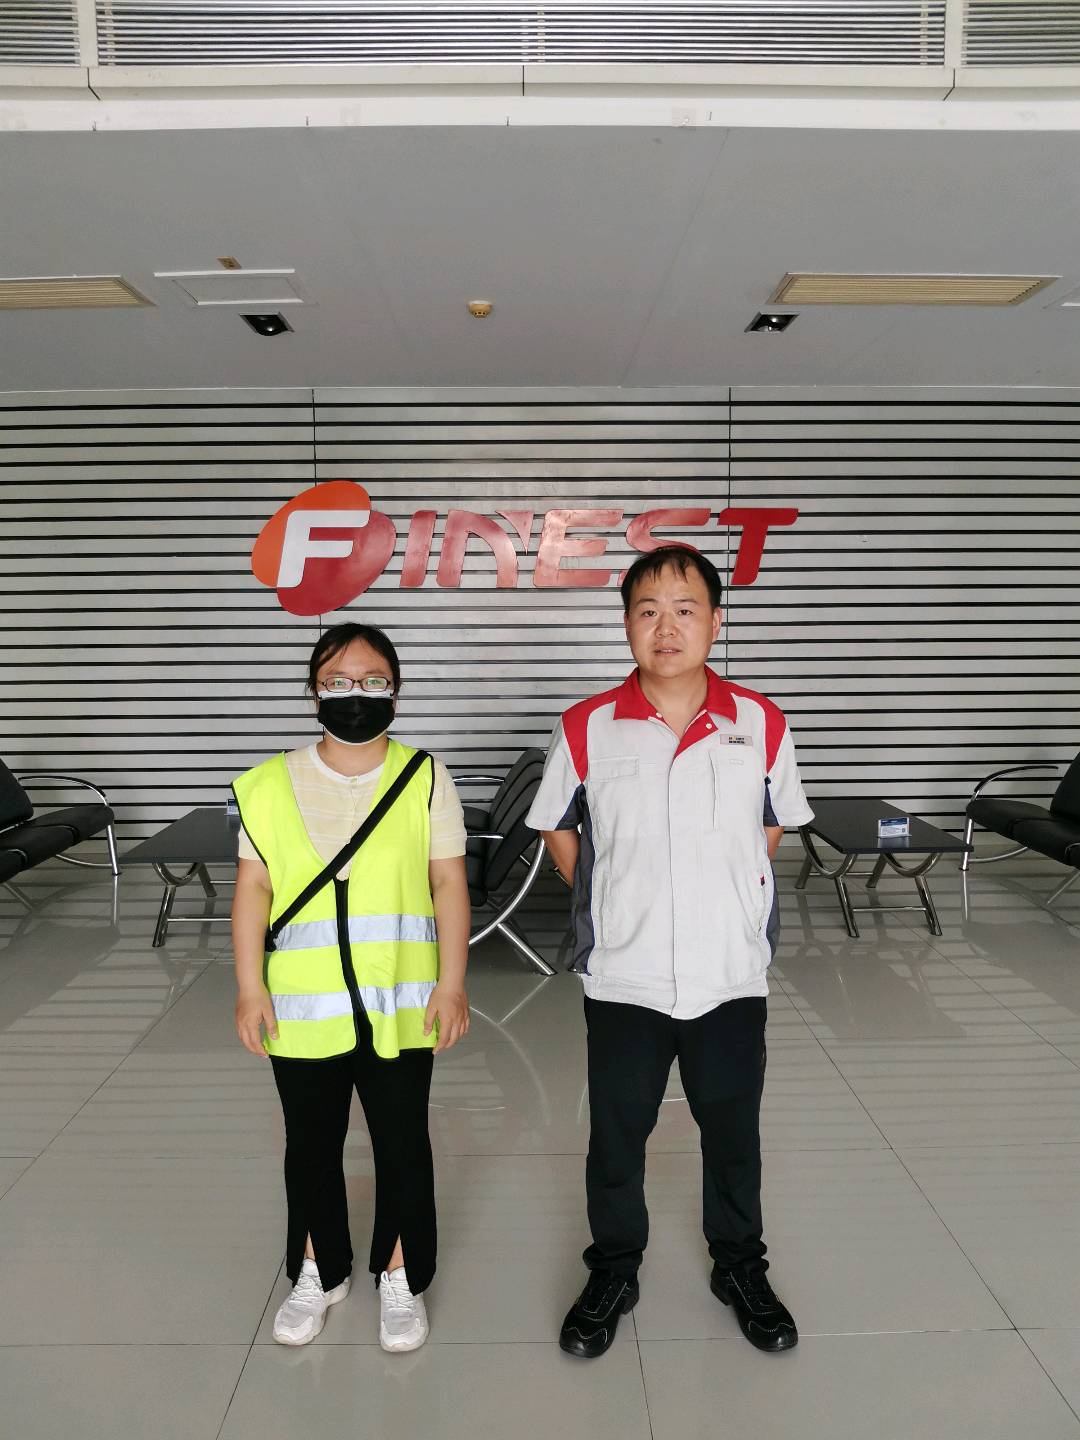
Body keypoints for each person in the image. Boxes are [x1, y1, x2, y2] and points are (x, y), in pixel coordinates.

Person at [527, 544, 813, 1359]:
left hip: (730, 975)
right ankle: (614, 1270)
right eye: (647, 611)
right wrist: (614, 893)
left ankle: (740, 1268)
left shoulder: (760, 721)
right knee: (617, 1138)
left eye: (685, 610)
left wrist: (731, 891)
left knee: (733, 1135)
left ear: (715, 621)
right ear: (626, 625)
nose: (666, 627)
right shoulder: (586, 725)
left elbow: (771, 826)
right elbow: (556, 826)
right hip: (627, 975)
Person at [230, 622, 470, 1353]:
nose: (355, 693)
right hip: (302, 1007)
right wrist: (249, 988)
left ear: (396, 690)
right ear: (313, 691)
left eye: (372, 680)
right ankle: (318, 1268)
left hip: (402, 1002)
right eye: (338, 680)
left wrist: (452, 984)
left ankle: (400, 1273)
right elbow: (254, 889)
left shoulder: (426, 777)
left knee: (402, 1144)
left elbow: (447, 883)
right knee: (310, 1145)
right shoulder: (268, 785)